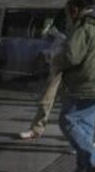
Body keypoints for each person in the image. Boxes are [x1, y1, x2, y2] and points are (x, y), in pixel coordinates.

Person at [53, 0, 95, 172]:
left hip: (83, 82)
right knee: (85, 127)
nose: (68, 15)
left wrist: (53, 58)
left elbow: (71, 56)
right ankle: (83, 171)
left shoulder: (84, 26)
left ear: (74, 9)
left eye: (68, 11)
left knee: (67, 120)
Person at [19, 8, 71, 140]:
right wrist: (49, 54)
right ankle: (36, 129)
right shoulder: (62, 33)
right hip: (57, 70)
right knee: (46, 100)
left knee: (71, 105)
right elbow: (55, 50)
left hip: (71, 71)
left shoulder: (77, 30)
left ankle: (77, 136)